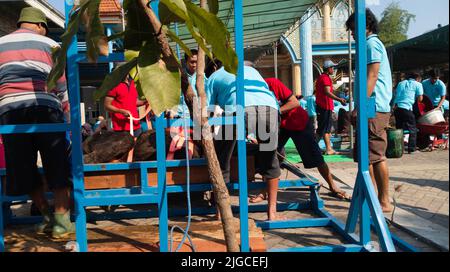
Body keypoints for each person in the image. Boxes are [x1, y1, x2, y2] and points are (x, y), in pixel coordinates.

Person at [0, 7, 74, 238]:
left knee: (24, 166)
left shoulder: (0, 43)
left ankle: (46, 217)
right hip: (46, 107)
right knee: (57, 163)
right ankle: (62, 223)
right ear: (41, 25)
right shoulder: (53, 46)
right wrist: (67, 116)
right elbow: (61, 86)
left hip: (10, 110)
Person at [207, 61, 282, 221]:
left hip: (238, 109)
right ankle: (272, 212)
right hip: (269, 109)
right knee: (270, 158)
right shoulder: (251, 71)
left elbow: (207, 110)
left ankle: (221, 212)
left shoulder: (214, 76)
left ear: (214, 65)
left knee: (221, 160)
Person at [264, 77, 350, 200]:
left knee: (316, 157)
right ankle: (265, 190)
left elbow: (295, 103)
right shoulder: (249, 93)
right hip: (279, 125)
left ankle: (333, 186)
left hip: (298, 122)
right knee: (266, 153)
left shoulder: (272, 83)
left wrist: (275, 111)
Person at [346, 9, 393, 212]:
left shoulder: (373, 44)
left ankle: (384, 201)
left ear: (366, 26)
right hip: (369, 104)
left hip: (373, 105)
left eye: (354, 29)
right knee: (367, 155)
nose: (353, 34)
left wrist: (360, 105)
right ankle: (372, 197)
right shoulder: (367, 46)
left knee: (376, 153)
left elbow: (372, 76)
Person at [315, 60, 347, 155]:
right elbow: (327, 92)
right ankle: (327, 149)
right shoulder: (325, 78)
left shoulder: (323, 78)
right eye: (332, 68)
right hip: (324, 107)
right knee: (324, 129)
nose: (334, 70)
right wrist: (339, 99)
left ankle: (316, 147)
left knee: (322, 130)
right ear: (328, 69)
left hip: (324, 107)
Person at [104, 72, 146, 137]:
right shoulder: (113, 86)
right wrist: (121, 111)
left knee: (138, 146)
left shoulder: (132, 84)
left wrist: (145, 102)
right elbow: (107, 106)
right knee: (123, 147)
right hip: (121, 127)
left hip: (135, 125)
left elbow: (133, 102)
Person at [393, 72, 423, 154]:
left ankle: (398, 148)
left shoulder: (401, 83)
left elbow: (396, 94)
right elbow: (420, 99)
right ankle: (412, 149)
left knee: (399, 129)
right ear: (417, 78)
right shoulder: (418, 84)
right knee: (412, 129)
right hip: (407, 108)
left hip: (397, 108)